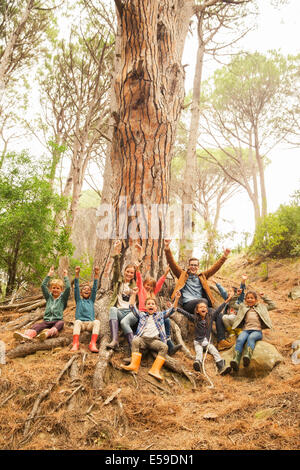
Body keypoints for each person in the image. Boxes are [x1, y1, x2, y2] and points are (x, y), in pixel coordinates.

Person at [164, 239, 233, 351]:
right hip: (189, 304)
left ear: (198, 266)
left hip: (202, 307)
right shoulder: (182, 274)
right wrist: (167, 248)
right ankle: (204, 339)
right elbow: (172, 263)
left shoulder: (202, 276)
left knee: (217, 315)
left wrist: (224, 256)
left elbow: (215, 268)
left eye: (196, 265)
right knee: (203, 301)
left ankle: (221, 341)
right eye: (191, 265)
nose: (194, 267)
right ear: (188, 266)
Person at [121, 288, 181, 381]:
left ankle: (155, 370)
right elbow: (132, 306)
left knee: (164, 347)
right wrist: (133, 294)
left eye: (152, 304)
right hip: (143, 339)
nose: (151, 305)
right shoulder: (142, 315)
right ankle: (134, 365)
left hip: (154, 341)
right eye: (148, 304)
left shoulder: (160, 315)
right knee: (135, 340)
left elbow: (172, 310)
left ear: (156, 307)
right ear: (145, 307)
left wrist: (176, 298)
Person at [135, 258, 182, 356]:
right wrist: (138, 270)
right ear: (144, 284)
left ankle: (169, 343)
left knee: (167, 320)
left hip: (154, 314)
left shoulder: (153, 293)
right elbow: (139, 281)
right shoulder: (141, 290)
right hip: (144, 313)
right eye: (147, 285)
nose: (149, 287)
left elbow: (159, 284)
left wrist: (165, 274)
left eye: (151, 286)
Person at [176, 296, 233, 376]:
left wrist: (227, 300)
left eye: (205, 307)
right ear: (197, 311)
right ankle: (197, 363)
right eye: (201, 307)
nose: (203, 308)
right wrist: (175, 308)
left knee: (214, 351)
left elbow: (218, 310)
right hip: (198, 342)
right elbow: (186, 313)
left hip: (207, 342)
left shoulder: (210, 317)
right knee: (199, 352)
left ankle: (221, 366)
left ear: (207, 311)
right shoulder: (195, 318)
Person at [14, 265, 70, 341]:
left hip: (56, 320)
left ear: (61, 290)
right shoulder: (48, 297)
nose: (55, 290)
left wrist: (65, 276)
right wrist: (49, 274)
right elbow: (43, 285)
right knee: (36, 325)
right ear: (50, 289)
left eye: (58, 288)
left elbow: (68, 288)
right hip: (46, 321)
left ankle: (47, 334)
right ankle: (27, 336)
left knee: (61, 323)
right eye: (53, 288)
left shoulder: (63, 299)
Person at [230, 291, 276, 371]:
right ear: (245, 299)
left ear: (256, 300)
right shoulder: (243, 307)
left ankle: (247, 356)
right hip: (246, 330)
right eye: (248, 298)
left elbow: (273, 305)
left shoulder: (261, 307)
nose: (249, 300)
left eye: (252, 298)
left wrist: (264, 297)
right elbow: (232, 304)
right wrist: (237, 295)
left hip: (257, 331)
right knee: (240, 339)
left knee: (251, 338)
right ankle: (236, 360)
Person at [106, 240, 137, 350]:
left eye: (131, 272)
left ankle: (133, 349)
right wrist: (116, 252)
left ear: (134, 275)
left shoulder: (135, 285)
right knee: (112, 310)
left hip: (131, 313)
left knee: (124, 322)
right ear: (124, 272)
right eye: (127, 271)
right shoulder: (118, 281)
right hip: (120, 311)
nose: (129, 274)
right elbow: (116, 268)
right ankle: (115, 340)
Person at [71, 265, 100, 353]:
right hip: (82, 324)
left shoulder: (91, 300)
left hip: (90, 323)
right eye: (84, 289)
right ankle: (75, 343)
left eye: (88, 289)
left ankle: (93, 343)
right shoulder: (78, 300)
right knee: (77, 322)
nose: (86, 290)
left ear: (90, 293)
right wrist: (77, 273)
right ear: (81, 292)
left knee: (97, 322)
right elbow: (76, 286)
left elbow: (95, 288)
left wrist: (96, 274)